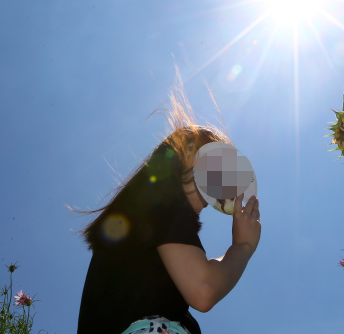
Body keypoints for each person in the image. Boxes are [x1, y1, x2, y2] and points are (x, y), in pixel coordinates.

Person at [75, 88, 261, 334]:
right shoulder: (165, 206)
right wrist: (242, 247)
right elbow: (204, 289)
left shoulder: (146, 217)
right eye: (219, 162)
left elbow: (203, 274)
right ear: (185, 154)